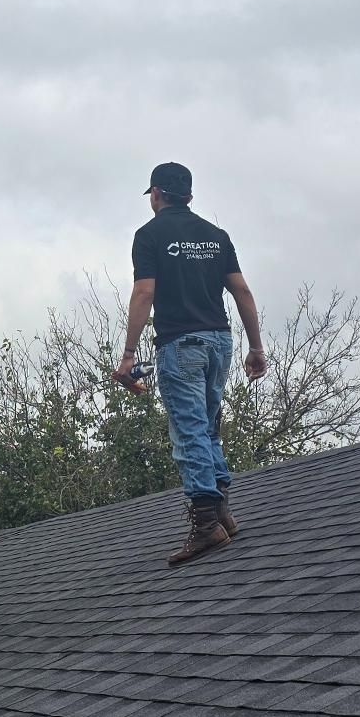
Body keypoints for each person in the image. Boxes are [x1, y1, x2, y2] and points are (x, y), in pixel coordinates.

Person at [113, 162, 268, 565]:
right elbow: (242, 292)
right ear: (190, 197)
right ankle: (222, 514)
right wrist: (256, 347)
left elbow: (145, 292)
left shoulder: (149, 236)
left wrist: (129, 355)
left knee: (190, 432)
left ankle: (205, 526)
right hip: (221, 342)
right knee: (208, 427)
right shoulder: (216, 236)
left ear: (156, 195)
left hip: (181, 344)